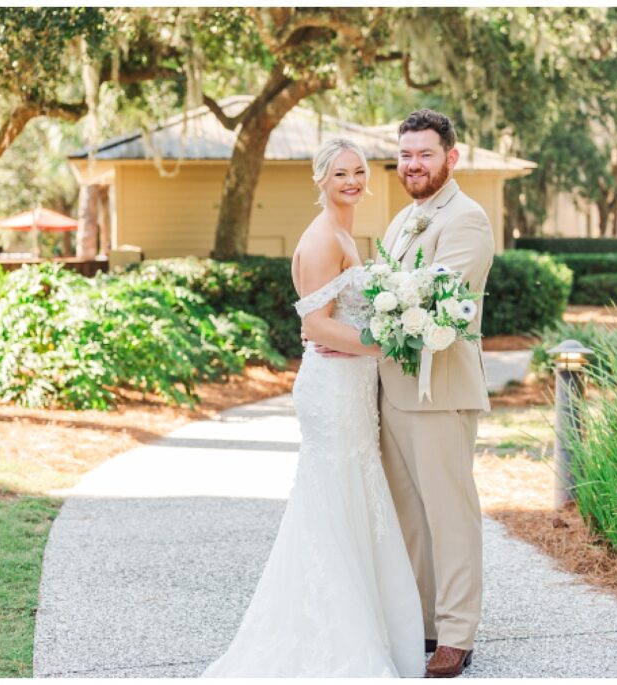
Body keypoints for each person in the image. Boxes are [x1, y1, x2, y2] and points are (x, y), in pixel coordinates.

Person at [200, 138, 424, 677]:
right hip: (334, 389)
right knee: (335, 502)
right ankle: (334, 640)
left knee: (349, 498)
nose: (351, 181)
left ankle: (366, 623)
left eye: (358, 172)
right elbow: (315, 325)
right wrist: (388, 343)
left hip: (348, 383)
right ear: (320, 180)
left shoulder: (345, 230)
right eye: (340, 173)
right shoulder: (324, 237)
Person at [376, 109, 494, 678]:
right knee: (409, 515)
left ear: (452, 156)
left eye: (424, 154)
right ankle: (422, 622)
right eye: (405, 155)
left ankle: (457, 634)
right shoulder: (402, 219)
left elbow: (435, 298)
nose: (413, 164)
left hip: (440, 387)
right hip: (393, 390)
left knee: (450, 513)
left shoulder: (467, 218)